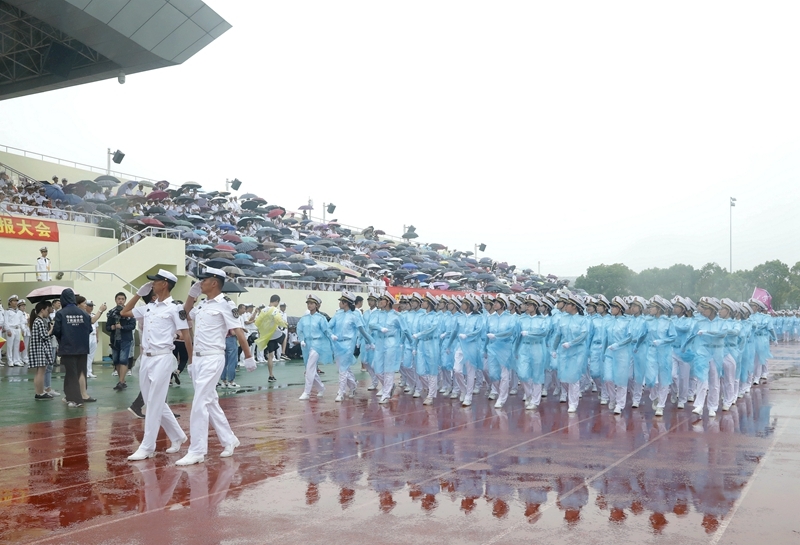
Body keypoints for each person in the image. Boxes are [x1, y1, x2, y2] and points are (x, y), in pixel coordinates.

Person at [179, 266, 255, 465]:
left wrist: (248, 356)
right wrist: (191, 295)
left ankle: (197, 450)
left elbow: (238, 331)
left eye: (203, 280)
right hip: (199, 358)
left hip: (213, 357)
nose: (200, 283)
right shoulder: (203, 304)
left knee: (199, 403)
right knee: (210, 401)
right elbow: (183, 314)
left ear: (214, 282)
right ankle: (229, 439)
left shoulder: (226, 304)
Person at [123, 269, 193, 461]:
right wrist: (138, 294)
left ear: (165, 284)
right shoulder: (149, 307)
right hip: (146, 358)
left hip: (163, 358)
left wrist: (191, 361)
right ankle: (178, 436)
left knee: (153, 404)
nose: (152, 284)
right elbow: (125, 311)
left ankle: (147, 446)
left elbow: (185, 334)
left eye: (155, 281)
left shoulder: (174, 308)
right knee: (155, 402)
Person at [329, 290, 373, 402]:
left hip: (348, 344)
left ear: (346, 303)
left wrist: (370, 341)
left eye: (341, 301)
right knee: (342, 369)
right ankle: (353, 386)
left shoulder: (354, 315)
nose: (339, 303)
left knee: (343, 369)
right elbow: (329, 326)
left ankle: (341, 392)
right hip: (337, 343)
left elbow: (362, 330)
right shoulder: (338, 314)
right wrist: (328, 333)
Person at [52, 288, 92, 408]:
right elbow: (89, 329)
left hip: (68, 348)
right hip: (83, 348)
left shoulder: (60, 313)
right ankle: (69, 396)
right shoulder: (84, 313)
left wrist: (63, 339)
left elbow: (57, 331)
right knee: (80, 372)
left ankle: (76, 400)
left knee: (71, 373)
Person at [297, 294, 333, 400]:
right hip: (307, 345)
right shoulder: (304, 318)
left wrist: (332, 337)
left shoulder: (321, 318)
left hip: (317, 344)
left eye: (311, 303)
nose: (309, 305)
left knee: (309, 367)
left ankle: (306, 392)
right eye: (308, 303)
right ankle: (321, 387)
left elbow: (326, 330)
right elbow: (299, 330)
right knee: (310, 368)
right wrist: (302, 339)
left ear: (316, 305)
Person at [106, 291, 136, 390]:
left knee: (123, 360)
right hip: (114, 340)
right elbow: (107, 327)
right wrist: (112, 327)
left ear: (125, 300)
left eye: (122, 299)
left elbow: (132, 326)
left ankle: (121, 381)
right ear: (115, 300)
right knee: (116, 361)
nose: (120, 301)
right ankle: (122, 381)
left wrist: (122, 327)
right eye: (119, 299)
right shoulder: (111, 312)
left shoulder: (130, 312)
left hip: (126, 339)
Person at [29, 300, 55, 400]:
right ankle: (39, 393)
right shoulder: (39, 321)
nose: (48, 313)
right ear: (42, 310)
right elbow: (44, 336)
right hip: (40, 350)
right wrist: (51, 329)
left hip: (38, 349)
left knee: (39, 372)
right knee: (41, 372)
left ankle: (40, 391)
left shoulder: (37, 321)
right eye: (47, 311)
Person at [4, 295, 24, 367]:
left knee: (16, 345)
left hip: (17, 329)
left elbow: (21, 321)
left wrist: (22, 329)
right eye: (14, 301)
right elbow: (5, 322)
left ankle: (16, 360)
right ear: (10, 302)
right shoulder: (7, 311)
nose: (15, 303)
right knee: (10, 346)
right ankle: (10, 360)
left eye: (16, 301)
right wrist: (8, 329)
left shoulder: (19, 312)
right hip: (11, 329)